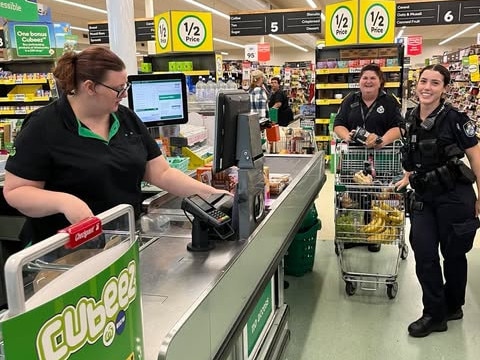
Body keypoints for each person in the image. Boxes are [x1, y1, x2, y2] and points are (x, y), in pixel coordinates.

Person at [2, 46, 229, 246]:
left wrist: (212, 195)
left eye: (125, 87)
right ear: (90, 87)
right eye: (118, 89)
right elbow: (15, 192)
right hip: (65, 252)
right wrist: (64, 202)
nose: (123, 95)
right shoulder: (43, 125)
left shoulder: (126, 119)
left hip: (122, 240)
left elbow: (162, 173)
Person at [395, 64, 480, 338]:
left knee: (454, 254)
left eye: (434, 83)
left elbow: (476, 158)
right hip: (424, 197)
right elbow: (414, 153)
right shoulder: (410, 117)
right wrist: (408, 176)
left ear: (444, 88)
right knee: (424, 252)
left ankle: (454, 305)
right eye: (423, 81)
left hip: (455, 196)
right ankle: (434, 313)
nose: (426, 87)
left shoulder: (456, 119)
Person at [334, 63, 403, 252]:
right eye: (365, 78)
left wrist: (381, 140)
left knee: (377, 194)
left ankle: (374, 235)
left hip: (382, 157)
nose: (368, 81)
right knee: (354, 194)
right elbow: (338, 124)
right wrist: (346, 135)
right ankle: (357, 233)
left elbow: (400, 127)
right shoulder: (350, 100)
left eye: (373, 78)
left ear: (380, 81)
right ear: (360, 82)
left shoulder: (389, 101)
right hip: (354, 157)